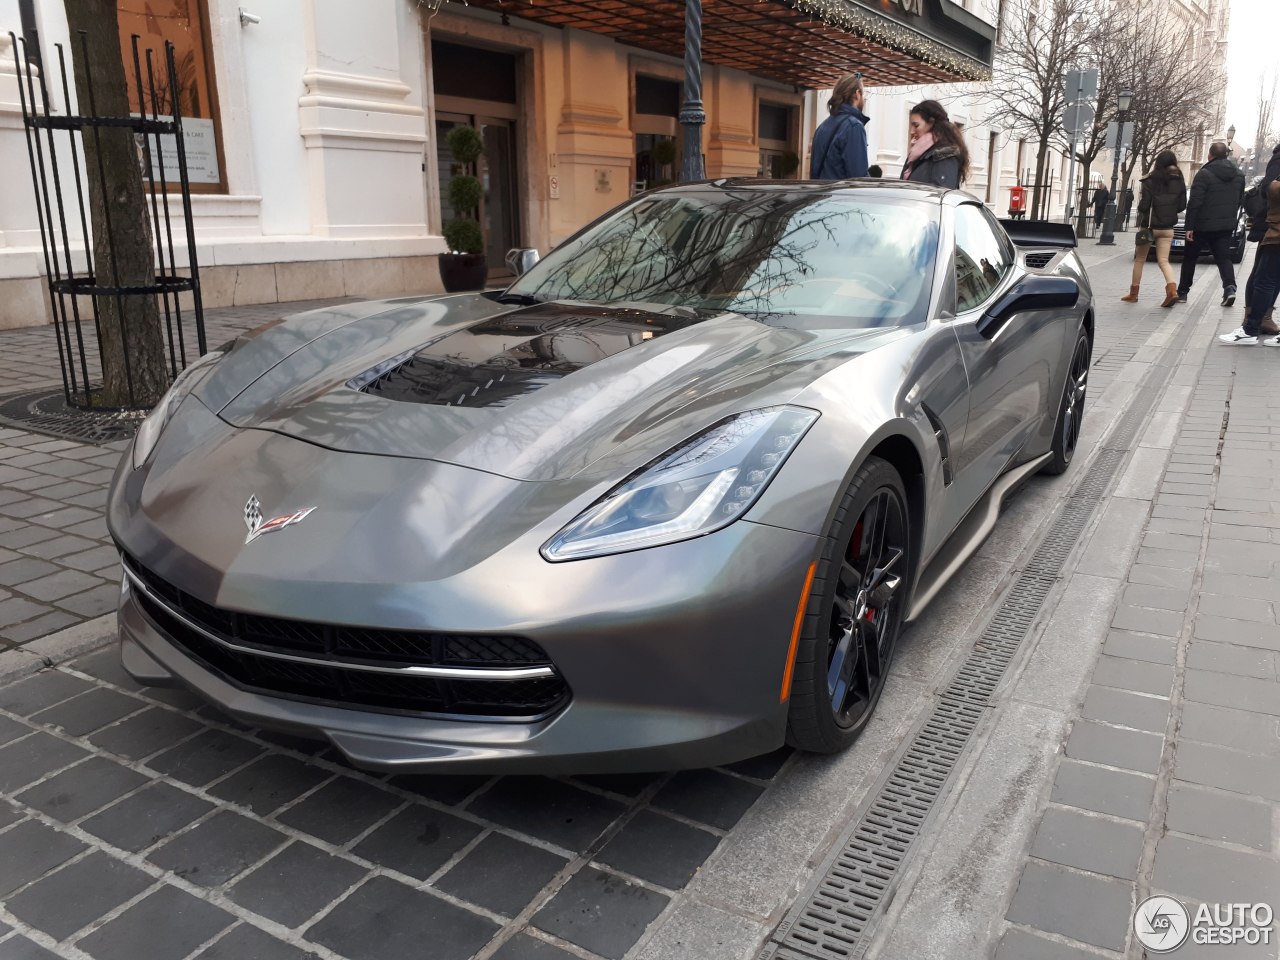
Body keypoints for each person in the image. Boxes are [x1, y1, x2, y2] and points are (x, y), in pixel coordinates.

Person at [1222, 142, 1280, 343]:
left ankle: (1251, 327)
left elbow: (1270, 188)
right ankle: (1256, 323)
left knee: (1263, 278)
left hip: (1276, 231)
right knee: (1267, 277)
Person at [1177, 142, 1245, 306]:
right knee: (1223, 258)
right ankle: (1229, 288)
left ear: (1210, 155)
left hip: (1202, 225)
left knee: (1190, 258)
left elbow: (1195, 202)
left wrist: (1189, 227)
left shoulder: (1204, 173)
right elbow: (1239, 200)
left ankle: (1183, 292)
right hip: (1225, 226)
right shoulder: (1239, 175)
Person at [1120, 150, 1186, 308]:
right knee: (1164, 261)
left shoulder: (1150, 180)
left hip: (1149, 227)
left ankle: (1133, 294)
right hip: (1168, 228)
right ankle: (1172, 290)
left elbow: (1144, 206)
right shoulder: (1179, 180)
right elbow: (1182, 206)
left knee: (1140, 259)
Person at [810, 73, 870, 180]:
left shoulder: (821, 127)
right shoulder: (854, 126)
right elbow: (859, 179)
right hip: (843, 196)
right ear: (857, 94)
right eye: (863, 95)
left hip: (823, 195)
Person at [900, 99, 969, 188]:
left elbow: (942, 194)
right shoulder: (916, 155)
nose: (912, 131)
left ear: (931, 122)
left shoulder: (945, 154)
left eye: (916, 125)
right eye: (911, 126)